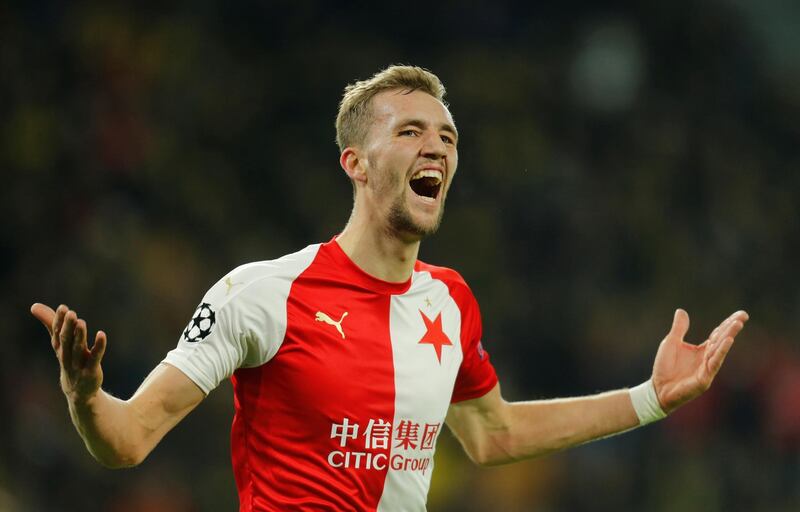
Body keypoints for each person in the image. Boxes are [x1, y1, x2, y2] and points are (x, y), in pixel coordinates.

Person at [31, 65, 749, 511]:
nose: (436, 146)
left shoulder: (450, 299)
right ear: (357, 162)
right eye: (410, 131)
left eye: (447, 137)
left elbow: (492, 436)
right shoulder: (261, 294)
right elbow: (126, 442)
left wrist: (651, 399)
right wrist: (86, 396)